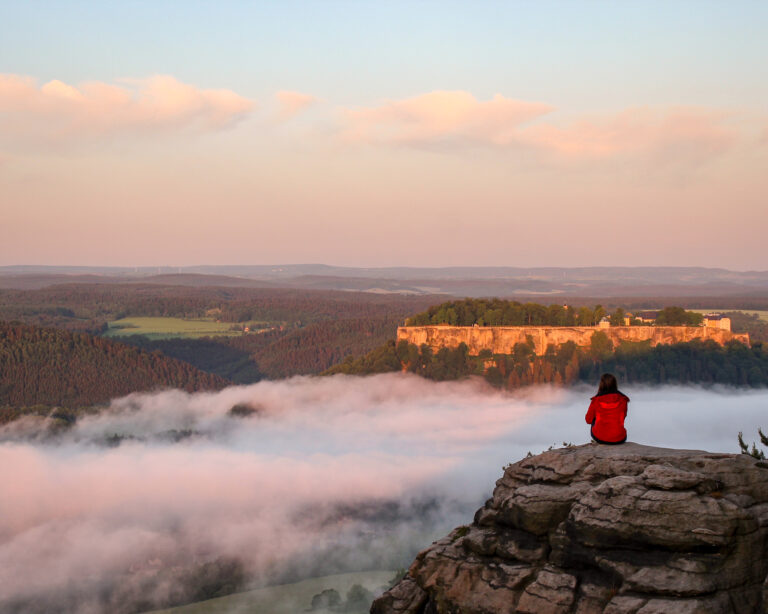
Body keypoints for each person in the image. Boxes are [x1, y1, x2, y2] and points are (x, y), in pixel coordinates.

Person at [585, 373, 629, 444]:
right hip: (620, 438)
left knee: (594, 419)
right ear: (615, 384)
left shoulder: (596, 400)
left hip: (600, 438)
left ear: (601, 384)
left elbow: (588, 420)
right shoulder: (623, 399)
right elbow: (623, 416)